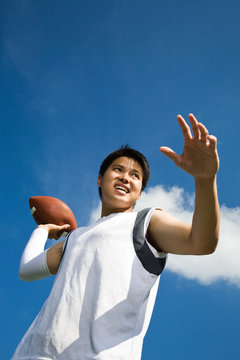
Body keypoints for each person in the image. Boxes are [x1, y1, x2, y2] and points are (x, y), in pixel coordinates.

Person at [12, 114, 220, 360]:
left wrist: (205, 180)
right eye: (118, 169)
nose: (125, 177)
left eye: (135, 175)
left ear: (140, 192)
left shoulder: (145, 221)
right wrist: (42, 230)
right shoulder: (75, 238)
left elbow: (202, 242)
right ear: (100, 180)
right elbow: (27, 270)